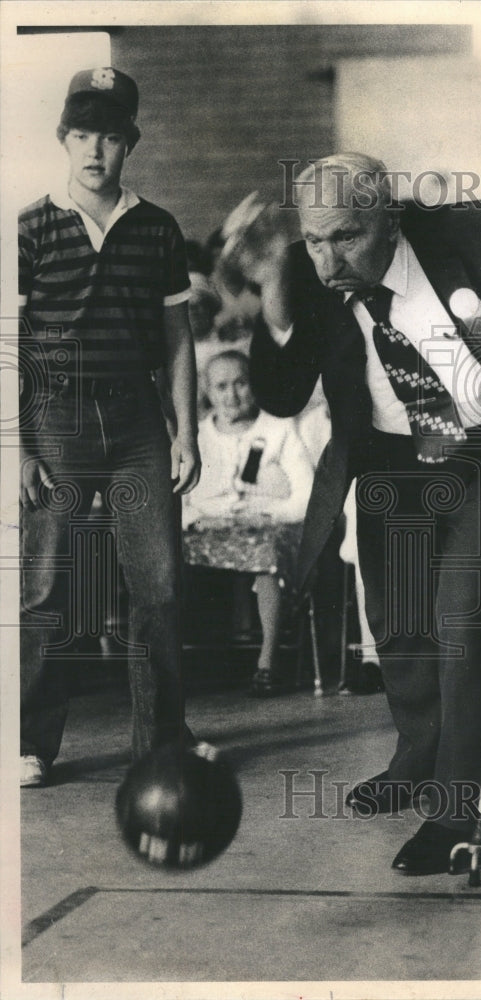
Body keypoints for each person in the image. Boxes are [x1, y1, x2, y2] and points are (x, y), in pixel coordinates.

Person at [230, 152, 481, 876]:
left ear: (390, 216)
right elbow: (284, 397)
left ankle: (459, 812)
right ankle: (416, 759)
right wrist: (273, 308)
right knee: (399, 624)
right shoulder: (305, 271)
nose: (326, 260)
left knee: (465, 621)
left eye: (344, 237)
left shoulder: (472, 239)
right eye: (313, 240)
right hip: (389, 459)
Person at [18, 67, 201, 787]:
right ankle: (31, 743)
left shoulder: (157, 228)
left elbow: (180, 339)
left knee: (155, 586)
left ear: (130, 144)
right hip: (55, 418)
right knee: (44, 586)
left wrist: (186, 433)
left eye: (112, 137)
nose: (97, 150)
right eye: (84, 134)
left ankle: (160, 741)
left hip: (135, 423)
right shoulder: (29, 227)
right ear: (65, 139)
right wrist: (19, 448)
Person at [183, 351, 314, 695]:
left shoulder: (279, 429)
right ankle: (187, 665)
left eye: (240, 383)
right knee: (165, 550)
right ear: (207, 391)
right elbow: (176, 499)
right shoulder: (194, 436)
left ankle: (267, 663)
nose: (232, 395)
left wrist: (268, 514)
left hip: (268, 526)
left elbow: (306, 497)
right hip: (207, 529)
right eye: (221, 386)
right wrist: (196, 520)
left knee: (266, 550)